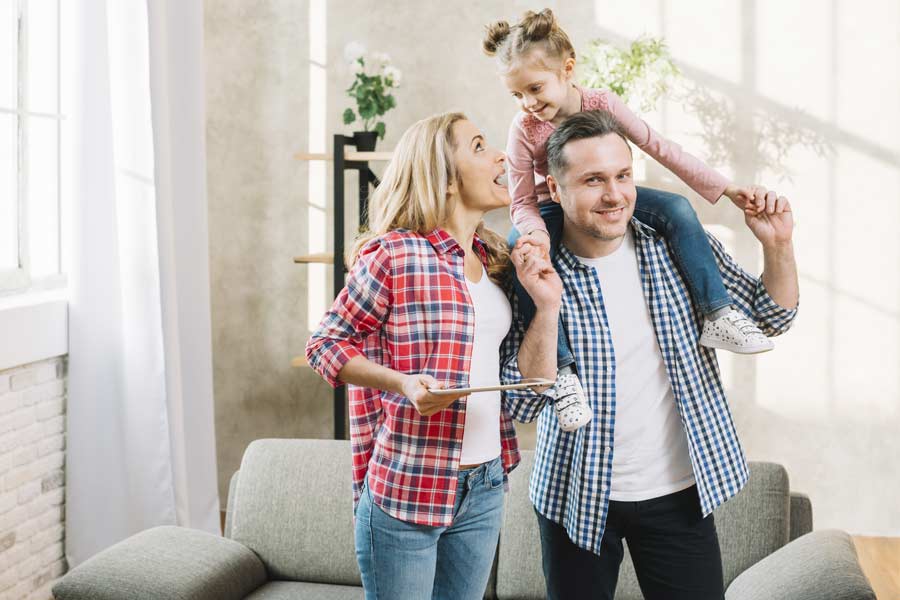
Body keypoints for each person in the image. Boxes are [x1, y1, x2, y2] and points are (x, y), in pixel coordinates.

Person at [501, 109, 799, 600]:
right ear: (554, 190)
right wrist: (547, 307)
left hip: (679, 494)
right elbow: (526, 402)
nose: (614, 194)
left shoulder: (676, 246)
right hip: (575, 492)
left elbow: (774, 317)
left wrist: (779, 246)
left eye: (622, 176)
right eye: (593, 180)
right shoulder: (530, 269)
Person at [483, 8, 780, 431]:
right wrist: (534, 236)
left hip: (606, 195)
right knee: (520, 247)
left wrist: (727, 188)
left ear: (567, 69)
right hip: (552, 204)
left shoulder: (602, 103)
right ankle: (563, 376)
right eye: (518, 95)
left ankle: (717, 315)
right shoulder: (525, 127)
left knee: (677, 209)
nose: (529, 103)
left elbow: (659, 147)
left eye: (534, 88)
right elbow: (521, 198)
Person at [305, 112, 559, 600]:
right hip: (409, 482)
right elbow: (325, 345)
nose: (502, 156)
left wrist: (547, 308)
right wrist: (404, 384)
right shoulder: (394, 255)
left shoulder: (496, 263)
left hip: (485, 484)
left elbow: (527, 394)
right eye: (480, 146)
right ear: (444, 178)